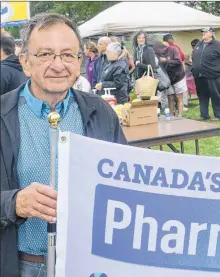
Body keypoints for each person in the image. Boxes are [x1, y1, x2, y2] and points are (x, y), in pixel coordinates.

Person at [0, 13, 126, 277]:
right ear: (25, 62)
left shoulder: (100, 112)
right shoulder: (2, 115)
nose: (58, 65)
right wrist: (14, 203)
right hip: (20, 265)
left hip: (87, 264)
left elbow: (124, 186)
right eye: (45, 54)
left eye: (68, 55)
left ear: (80, 61)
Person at [191, 27, 220, 121]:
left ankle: (219, 115)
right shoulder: (198, 45)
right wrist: (194, 69)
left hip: (214, 76)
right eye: (202, 32)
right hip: (200, 76)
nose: (203, 33)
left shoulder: (219, 45)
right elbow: (194, 57)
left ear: (211, 33)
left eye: (205, 32)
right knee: (202, 96)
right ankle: (204, 115)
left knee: (216, 95)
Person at [153, 41, 186, 117]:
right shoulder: (157, 55)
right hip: (168, 79)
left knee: (179, 97)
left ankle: (180, 115)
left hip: (178, 76)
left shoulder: (173, 49)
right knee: (170, 97)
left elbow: (178, 61)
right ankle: (171, 115)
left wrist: (167, 61)